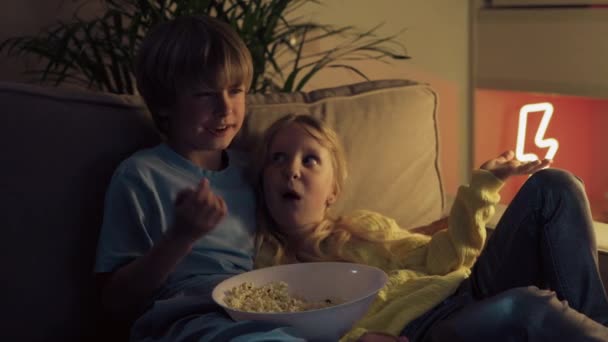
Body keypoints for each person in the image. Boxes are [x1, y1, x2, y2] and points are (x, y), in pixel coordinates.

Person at [253, 114, 608, 342]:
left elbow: (445, 260)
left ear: (333, 190)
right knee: (527, 306)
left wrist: (484, 183)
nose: (292, 170)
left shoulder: (365, 227)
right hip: (422, 330)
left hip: (464, 289)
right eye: (278, 159)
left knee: (555, 187)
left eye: (309, 159)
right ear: (262, 178)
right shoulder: (271, 264)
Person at [94, 16, 305, 341]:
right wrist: (181, 236)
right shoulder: (140, 176)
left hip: (263, 310)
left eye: (236, 91)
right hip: (190, 317)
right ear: (165, 104)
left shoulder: (253, 170)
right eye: (205, 94)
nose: (225, 108)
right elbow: (115, 302)